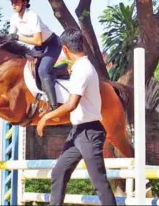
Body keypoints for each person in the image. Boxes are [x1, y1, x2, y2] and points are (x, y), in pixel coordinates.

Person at [36, 27, 117, 206]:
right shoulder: (80, 67)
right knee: (59, 172)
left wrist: (45, 118)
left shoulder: (82, 70)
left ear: (65, 50)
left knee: (99, 183)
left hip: (90, 132)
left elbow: (71, 104)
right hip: (78, 132)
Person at [5, 0, 62, 110]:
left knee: (42, 71)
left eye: (16, 2)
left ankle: (54, 106)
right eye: (12, 2)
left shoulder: (32, 16)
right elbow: (11, 38)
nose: (13, 5)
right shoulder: (14, 18)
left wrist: (17, 37)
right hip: (39, 47)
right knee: (27, 68)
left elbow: (38, 40)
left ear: (25, 2)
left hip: (51, 44)